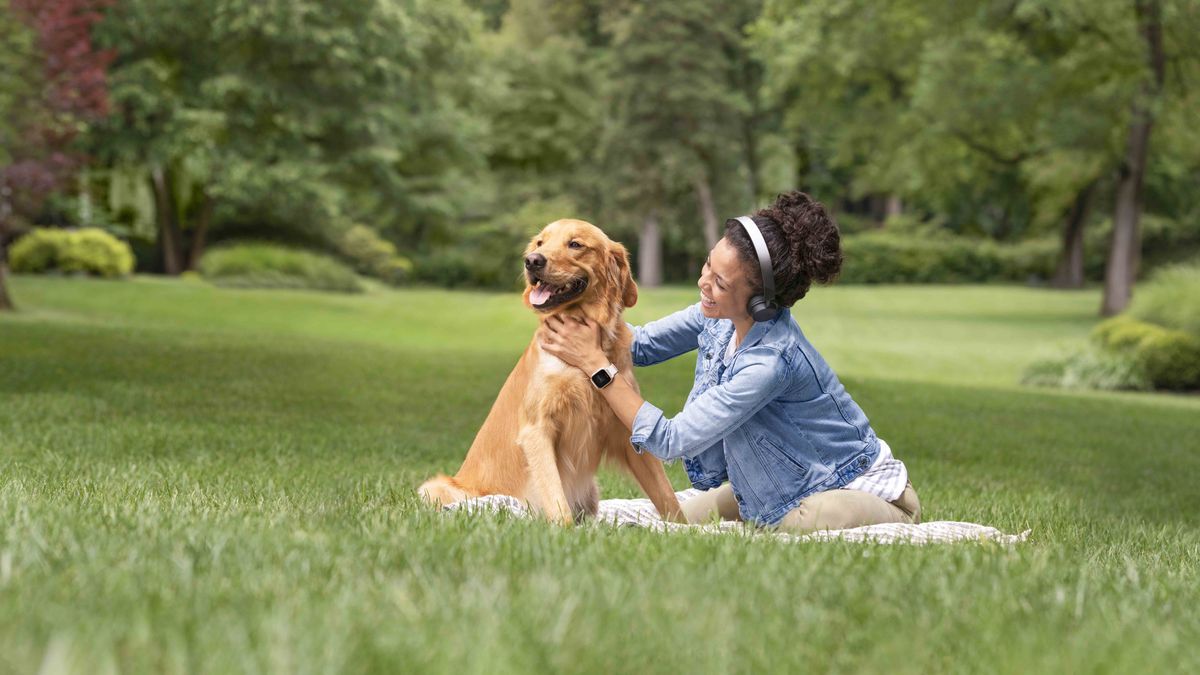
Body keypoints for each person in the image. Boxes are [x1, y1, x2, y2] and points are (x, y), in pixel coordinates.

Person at [539, 191, 920, 532]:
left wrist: (597, 367)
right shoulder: (716, 315)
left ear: (760, 303)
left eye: (721, 283)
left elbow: (673, 440)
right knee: (676, 519)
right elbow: (640, 344)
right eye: (708, 266)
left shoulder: (769, 363)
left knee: (790, 524)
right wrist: (581, 323)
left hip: (861, 490)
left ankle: (899, 515)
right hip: (776, 486)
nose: (704, 283)